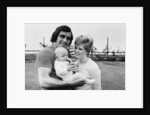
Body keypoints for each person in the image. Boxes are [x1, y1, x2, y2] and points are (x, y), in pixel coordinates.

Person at [35, 25, 85, 90]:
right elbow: (44, 81)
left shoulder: (64, 53)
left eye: (68, 38)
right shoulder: (46, 52)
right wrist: (70, 83)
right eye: (62, 36)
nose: (65, 40)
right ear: (55, 36)